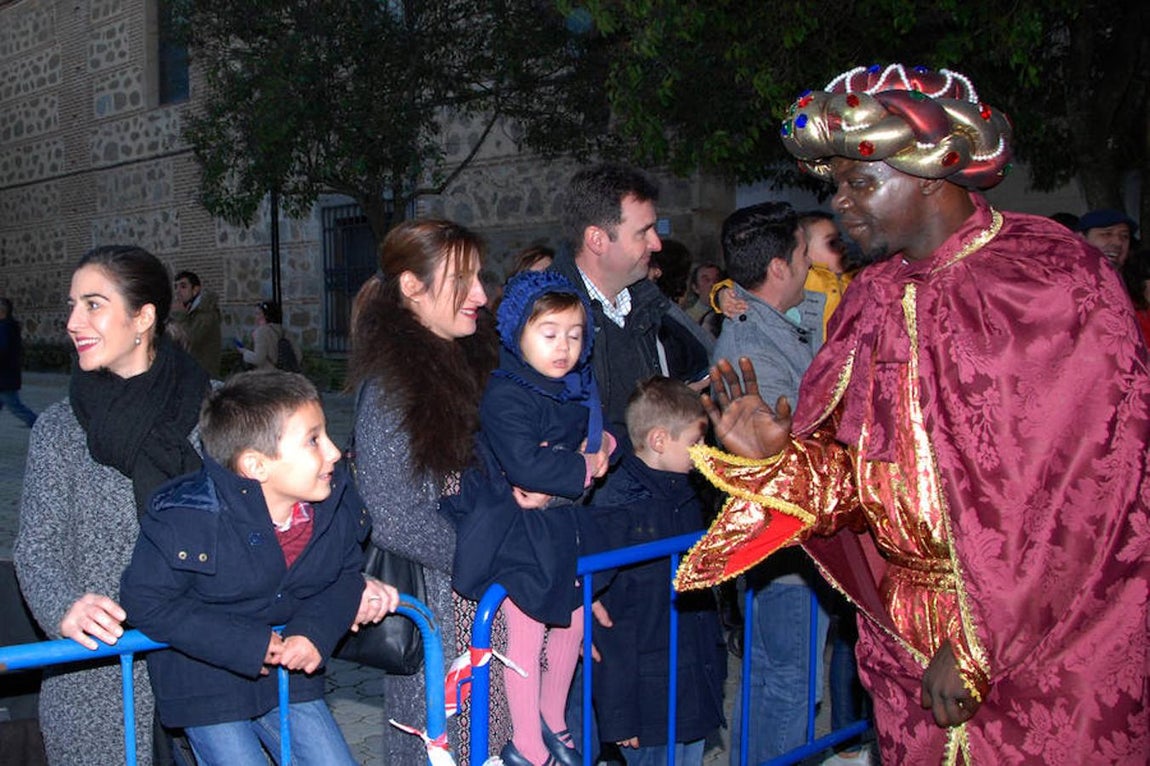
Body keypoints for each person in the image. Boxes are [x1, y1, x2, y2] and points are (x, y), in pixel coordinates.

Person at [675, 64, 1150, 765]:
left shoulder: (1053, 278)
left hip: (1043, 647)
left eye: (859, 183)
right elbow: (862, 485)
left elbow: (1088, 492)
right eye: (835, 185)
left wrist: (977, 641)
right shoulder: (869, 301)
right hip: (902, 643)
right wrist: (780, 461)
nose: (840, 205)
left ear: (930, 174)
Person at [119, 370, 396, 764]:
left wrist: (314, 632)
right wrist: (245, 643)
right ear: (257, 466)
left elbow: (343, 576)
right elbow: (146, 601)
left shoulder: (334, 502)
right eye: (313, 440)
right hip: (206, 686)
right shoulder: (187, 515)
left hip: (288, 680)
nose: (334, 452)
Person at [14, 245, 212, 765]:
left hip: (209, 671)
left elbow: (274, 517)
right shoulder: (59, 428)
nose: (73, 321)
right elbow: (37, 545)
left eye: (94, 304)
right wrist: (63, 607)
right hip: (99, 677)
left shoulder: (217, 410)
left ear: (143, 317)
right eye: (73, 305)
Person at [347, 219, 506, 764]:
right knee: (449, 746)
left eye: (481, 277)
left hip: (484, 596)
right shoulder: (396, 382)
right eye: (463, 280)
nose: (481, 295)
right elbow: (393, 514)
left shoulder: (470, 362)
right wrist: (493, 558)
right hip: (445, 604)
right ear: (412, 286)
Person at [445, 270, 613, 766]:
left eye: (575, 334)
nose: (564, 346)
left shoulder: (576, 387)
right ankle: (527, 741)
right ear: (519, 334)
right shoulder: (507, 391)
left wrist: (602, 447)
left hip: (560, 528)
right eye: (549, 334)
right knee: (527, 627)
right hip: (514, 532)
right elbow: (525, 465)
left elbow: (602, 434)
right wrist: (584, 463)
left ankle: (553, 715)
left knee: (575, 616)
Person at [709, 201, 835, 764]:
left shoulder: (792, 320)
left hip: (788, 542)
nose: (814, 264)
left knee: (773, 676)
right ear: (780, 267)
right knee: (789, 682)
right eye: (805, 252)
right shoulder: (752, 347)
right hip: (784, 544)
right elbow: (784, 448)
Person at [592, 377, 726, 766]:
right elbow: (612, 623)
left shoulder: (683, 496)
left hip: (691, 678)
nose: (704, 454)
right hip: (649, 696)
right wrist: (619, 716)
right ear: (659, 440)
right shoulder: (622, 512)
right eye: (695, 444)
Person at [553, 163, 713, 443]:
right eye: (643, 232)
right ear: (597, 240)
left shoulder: (650, 303)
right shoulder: (546, 320)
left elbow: (707, 363)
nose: (656, 243)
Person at [170, 270, 222, 377]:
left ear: (195, 290)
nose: (178, 291)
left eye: (183, 286)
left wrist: (180, 315)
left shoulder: (206, 313)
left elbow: (190, 338)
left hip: (202, 374)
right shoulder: (189, 310)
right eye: (176, 287)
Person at [0, 297, 37, 428]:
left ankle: (37, 422)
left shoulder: (5, 327)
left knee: (14, 405)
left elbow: (3, 349)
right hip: (6, 373)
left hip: (5, 374)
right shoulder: (9, 326)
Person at [238, 300, 300, 372]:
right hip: (285, 375)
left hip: (267, 376)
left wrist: (244, 352)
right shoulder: (284, 331)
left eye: (258, 314)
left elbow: (258, 358)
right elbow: (298, 355)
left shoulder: (261, 332)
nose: (255, 317)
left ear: (266, 316)